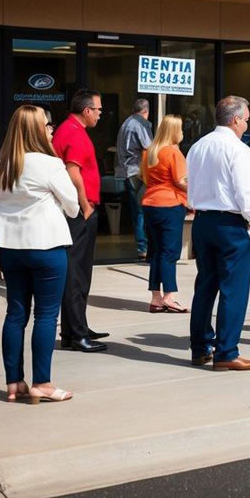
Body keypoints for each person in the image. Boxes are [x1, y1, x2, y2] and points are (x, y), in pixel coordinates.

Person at [0, 106, 79, 404]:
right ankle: (41, 382)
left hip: (11, 249)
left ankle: (13, 381)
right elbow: (73, 206)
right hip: (47, 247)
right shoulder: (50, 164)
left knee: (15, 314)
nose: (52, 129)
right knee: (45, 315)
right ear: (36, 130)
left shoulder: (0, 166)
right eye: (47, 124)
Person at [186, 96, 250, 372]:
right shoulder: (238, 149)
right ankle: (226, 351)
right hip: (230, 224)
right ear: (235, 120)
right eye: (246, 120)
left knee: (205, 287)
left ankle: (200, 347)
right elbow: (246, 194)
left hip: (203, 221)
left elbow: (190, 186)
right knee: (234, 289)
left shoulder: (197, 147)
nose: (246, 125)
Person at [52, 89, 108, 352]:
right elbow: (72, 171)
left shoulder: (73, 130)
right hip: (79, 212)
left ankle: (77, 327)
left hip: (80, 211)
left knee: (80, 272)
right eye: (97, 109)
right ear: (86, 110)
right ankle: (76, 334)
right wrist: (84, 205)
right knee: (76, 273)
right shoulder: (73, 133)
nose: (100, 114)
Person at [140, 114, 188, 313]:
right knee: (169, 253)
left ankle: (156, 298)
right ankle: (169, 296)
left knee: (156, 252)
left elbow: (144, 178)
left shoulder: (150, 152)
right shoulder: (173, 153)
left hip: (150, 203)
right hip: (170, 205)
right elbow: (180, 181)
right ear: (175, 131)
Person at [115, 99, 153, 262]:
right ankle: (143, 247)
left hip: (127, 171)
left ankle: (141, 246)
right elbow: (148, 148)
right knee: (142, 211)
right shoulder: (141, 124)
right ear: (146, 111)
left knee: (136, 211)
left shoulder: (126, 123)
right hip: (139, 172)